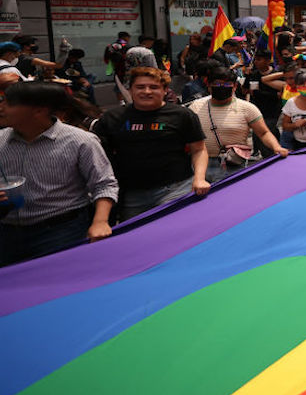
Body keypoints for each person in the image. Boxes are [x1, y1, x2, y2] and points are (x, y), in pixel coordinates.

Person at [0, 82, 118, 266]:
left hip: (60, 231)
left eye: (9, 103)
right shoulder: (1, 141)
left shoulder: (80, 141)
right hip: (7, 233)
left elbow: (104, 185)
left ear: (38, 110)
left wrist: (100, 222)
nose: (2, 107)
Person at [92, 67, 209, 221]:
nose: (147, 91)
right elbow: (98, 157)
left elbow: (199, 150)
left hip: (175, 189)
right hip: (131, 194)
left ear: (165, 90)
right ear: (130, 89)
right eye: (140, 87)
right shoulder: (111, 118)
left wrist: (199, 178)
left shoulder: (182, 115)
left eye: (154, 87)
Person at [188, 66, 287, 182]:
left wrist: (276, 147)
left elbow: (264, 133)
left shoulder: (247, 108)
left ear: (235, 86)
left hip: (234, 164)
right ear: (208, 85)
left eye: (226, 85)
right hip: (202, 165)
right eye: (217, 84)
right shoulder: (195, 107)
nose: (222, 88)